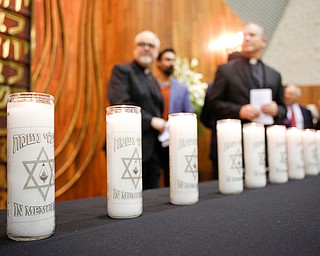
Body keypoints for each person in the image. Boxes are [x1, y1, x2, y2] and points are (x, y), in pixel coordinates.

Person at [202, 23, 286, 177]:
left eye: (252, 35)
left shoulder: (274, 74)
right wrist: (238, 111)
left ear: (263, 41)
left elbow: (283, 108)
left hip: (264, 146)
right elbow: (213, 104)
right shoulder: (226, 70)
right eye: (244, 35)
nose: (247, 38)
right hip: (233, 144)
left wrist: (276, 110)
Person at [108, 31, 165, 190]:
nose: (146, 48)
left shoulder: (152, 78)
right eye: (142, 44)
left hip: (152, 151)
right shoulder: (122, 71)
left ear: (156, 52)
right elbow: (121, 104)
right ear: (134, 48)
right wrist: (152, 121)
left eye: (151, 46)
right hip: (127, 148)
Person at [155, 48, 194, 186]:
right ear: (158, 63)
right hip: (152, 136)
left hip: (172, 138)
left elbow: (189, 112)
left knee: (171, 174)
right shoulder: (150, 85)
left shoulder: (181, 88)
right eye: (167, 59)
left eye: (173, 60)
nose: (171, 63)